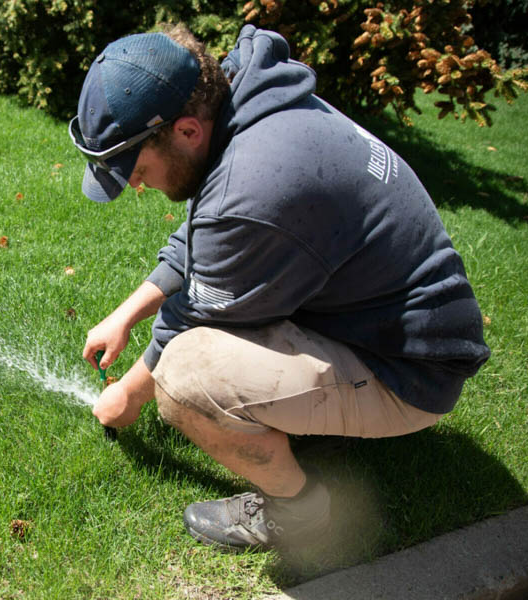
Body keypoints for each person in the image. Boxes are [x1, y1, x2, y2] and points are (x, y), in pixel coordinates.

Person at [69, 23, 490, 552]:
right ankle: (319, 425)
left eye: (135, 167)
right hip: (392, 327)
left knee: (183, 376)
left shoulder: (254, 183)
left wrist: (128, 397)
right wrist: (126, 313)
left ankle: (300, 511)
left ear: (186, 131)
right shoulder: (252, 108)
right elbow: (206, 232)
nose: (134, 183)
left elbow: (193, 316)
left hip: (409, 374)